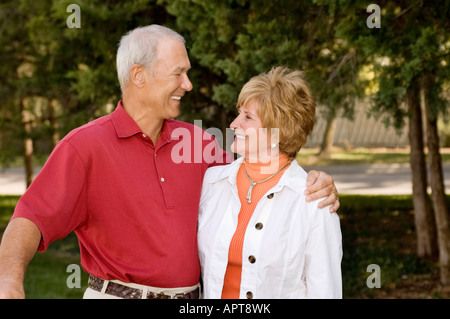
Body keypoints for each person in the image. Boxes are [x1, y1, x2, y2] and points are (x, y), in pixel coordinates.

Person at [0, 25, 339, 299]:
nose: (188, 85)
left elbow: (264, 171)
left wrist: (315, 182)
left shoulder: (199, 143)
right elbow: (30, 219)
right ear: (139, 76)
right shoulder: (83, 147)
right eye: (178, 74)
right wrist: (9, 283)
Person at [198, 66, 343, 299]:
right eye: (239, 113)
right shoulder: (212, 183)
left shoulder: (314, 201)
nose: (234, 124)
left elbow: (324, 292)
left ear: (278, 132)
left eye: (247, 117)